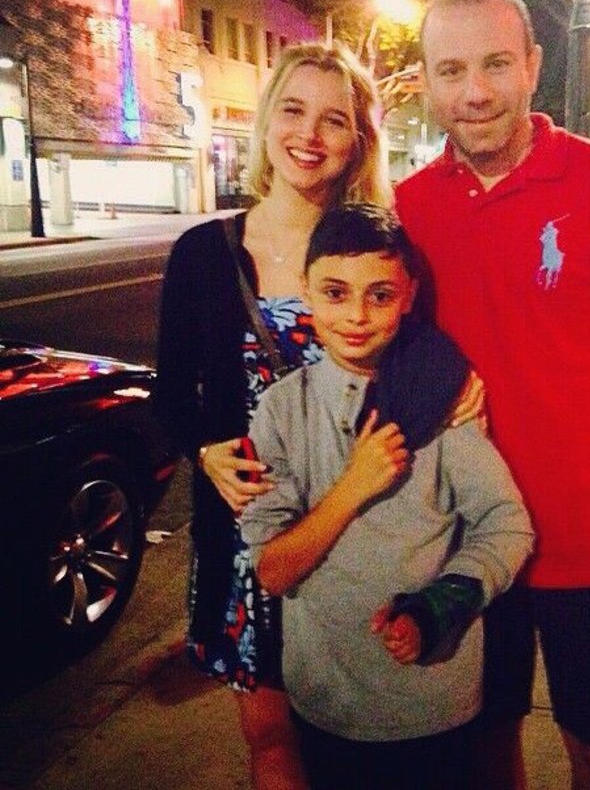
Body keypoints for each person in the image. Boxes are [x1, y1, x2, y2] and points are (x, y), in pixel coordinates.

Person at [395, 0, 590, 790]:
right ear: (426, 82)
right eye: (452, 70)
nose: (475, 91)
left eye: (496, 63)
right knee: (480, 748)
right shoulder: (407, 212)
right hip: (460, 538)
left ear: (533, 64)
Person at [154, 41, 392, 790]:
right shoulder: (204, 253)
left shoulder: (379, 251)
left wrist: (460, 386)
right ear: (266, 122)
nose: (308, 135)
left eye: (333, 120)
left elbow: (418, 367)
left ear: (358, 140)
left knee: (365, 736)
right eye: (293, 110)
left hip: (359, 525)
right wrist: (205, 451)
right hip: (249, 536)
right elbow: (170, 395)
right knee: (270, 737)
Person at [239, 203, 535, 790]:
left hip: (435, 703)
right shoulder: (281, 410)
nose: (356, 316)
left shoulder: (442, 400)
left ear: (408, 295)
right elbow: (272, 571)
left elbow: (506, 522)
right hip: (325, 700)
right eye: (335, 292)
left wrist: (442, 605)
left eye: (379, 295)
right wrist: (354, 485)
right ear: (305, 290)